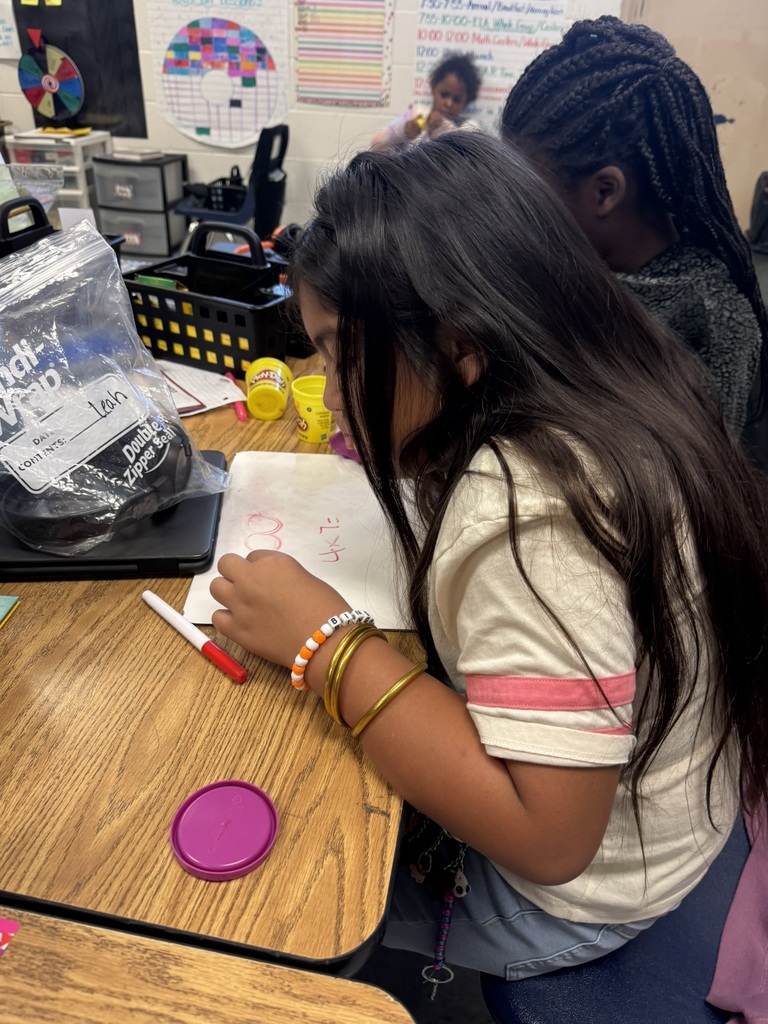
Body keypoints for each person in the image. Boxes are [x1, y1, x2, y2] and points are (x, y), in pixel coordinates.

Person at [209, 132, 768, 982]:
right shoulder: (604, 384)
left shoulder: (531, 516)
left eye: (335, 352)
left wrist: (324, 643)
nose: (326, 389)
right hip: (678, 813)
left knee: (266, 898)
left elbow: (550, 838)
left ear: (462, 345)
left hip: (577, 895)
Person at [501, 16, 768, 441]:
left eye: (532, 192)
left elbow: (693, 489)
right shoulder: (563, 264)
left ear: (605, 191)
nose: (520, 210)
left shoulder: (711, 318)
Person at [369, 53, 481, 152]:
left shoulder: (468, 127)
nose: (448, 103)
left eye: (456, 100)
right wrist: (404, 131)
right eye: (444, 94)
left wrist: (441, 125)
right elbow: (376, 143)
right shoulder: (418, 115)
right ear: (433, 87)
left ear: (467, 100)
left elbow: (462, 156)